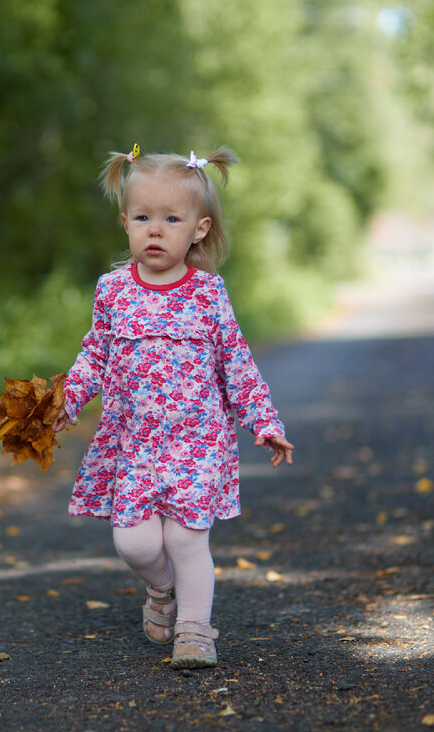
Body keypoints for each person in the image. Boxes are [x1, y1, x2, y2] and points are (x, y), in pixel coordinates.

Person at [53, 144, 294, 669]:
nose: (155, 230)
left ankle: (194, 630)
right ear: (125, 223)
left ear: (199, 229)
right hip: (133, 445)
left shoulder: (208, 294)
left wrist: (265, 422)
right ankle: (162, 592)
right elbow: (94, 355)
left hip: (197, 443)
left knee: (186, 540)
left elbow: (237, 362)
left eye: (170, 219)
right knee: (135, 544)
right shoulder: (113, 292)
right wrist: (66, 400)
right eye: (143, 217)